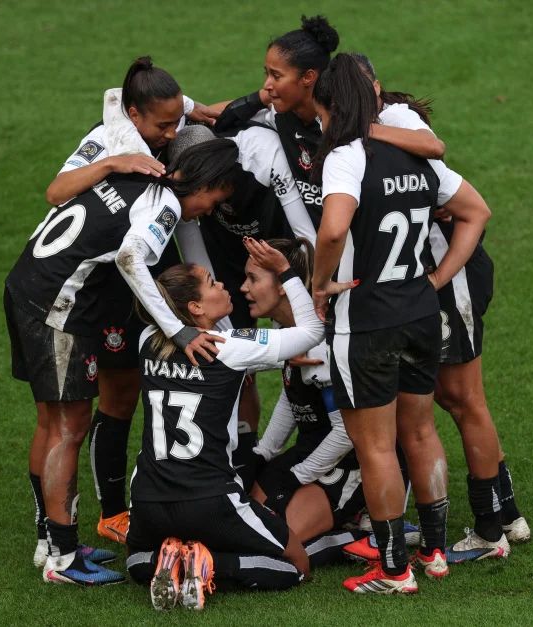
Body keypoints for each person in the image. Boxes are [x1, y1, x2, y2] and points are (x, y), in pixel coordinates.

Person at [5, 138, 238, 584]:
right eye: (215, 200)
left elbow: (116, 98)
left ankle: (50, 541)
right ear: (206, 183)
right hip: (58, 306)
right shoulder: (165, 206)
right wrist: (178, 327)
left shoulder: (137, 176)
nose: (209, 211)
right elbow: (132, 259)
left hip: (26, 285)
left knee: (51, 422)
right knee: (69, 428)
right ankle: (63, 561)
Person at [309, 54, 492, 593]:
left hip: (365, 321)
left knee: (376, 447)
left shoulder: (345, 157)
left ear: (330, 107)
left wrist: (320, 282)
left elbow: (334, 229)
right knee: (421, 430)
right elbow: (476, 211)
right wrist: (435, 281)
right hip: (418, 312)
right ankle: (434, 551)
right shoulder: (413, 154)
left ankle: (392, 570)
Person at [352, 53, 531, 560]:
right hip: (443, 278)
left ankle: (491, 531)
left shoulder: (393, 125)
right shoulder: (383, 125)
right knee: (457, 402)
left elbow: (453, 193)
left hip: (449, 277)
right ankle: (507, 512)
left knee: (461, 400)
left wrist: (434, 280)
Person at [42, 57, 223, 545]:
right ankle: (110, 512)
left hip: (137, 279)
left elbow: (162, 104)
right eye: (162, 124)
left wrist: (195, 108)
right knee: (111, 400)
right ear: (134, 115)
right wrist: (111, 163)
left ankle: (102, 514)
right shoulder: (107, 140)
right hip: (102, 289)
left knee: (128, 396)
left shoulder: (163, 127)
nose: (170, 132)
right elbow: (56, 191)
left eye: (174, 122)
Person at [125, 239, 355, 610]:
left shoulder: (146, 340)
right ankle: (213, 563)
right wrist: (286, 271)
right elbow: (312, 331)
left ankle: (169, 559)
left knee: (136, 561)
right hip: (210, 499)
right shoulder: (229, 345)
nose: (225, 286)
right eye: (213, 283)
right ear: (196, 307)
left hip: (148, 498)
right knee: (298, 565)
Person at [167, 124, 317, 488]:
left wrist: (304, 292)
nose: (201, 204)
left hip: (282, 250)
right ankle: (243, 461)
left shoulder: (262, 157)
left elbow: (306, 236)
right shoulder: (185, 195)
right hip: (227, 260)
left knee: (307, 358)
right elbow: (199, 267)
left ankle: (261, 462)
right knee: (241, 368)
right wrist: (234, 342)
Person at [215, 15, 444, 229]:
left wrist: (361, 129)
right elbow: (222, 117)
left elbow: (433, 147)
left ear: (308, 77)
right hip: (326, 248)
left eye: (276, 76)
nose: (267, 83)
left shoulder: (349, 119)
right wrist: (259, 97)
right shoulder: (280, 115)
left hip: (365, 244)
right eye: (266, 74)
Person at [241, 238, 370, 566]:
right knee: (249, 525)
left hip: (348, 460)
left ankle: (369, 533)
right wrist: (263, 453)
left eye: (253, 279)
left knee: (279, 544)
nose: (243, 287)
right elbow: (291, 392)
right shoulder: (284, 326)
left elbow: (346, 433)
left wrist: (298, 475)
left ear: (283, 288)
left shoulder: (320, 343)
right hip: (311, 449)